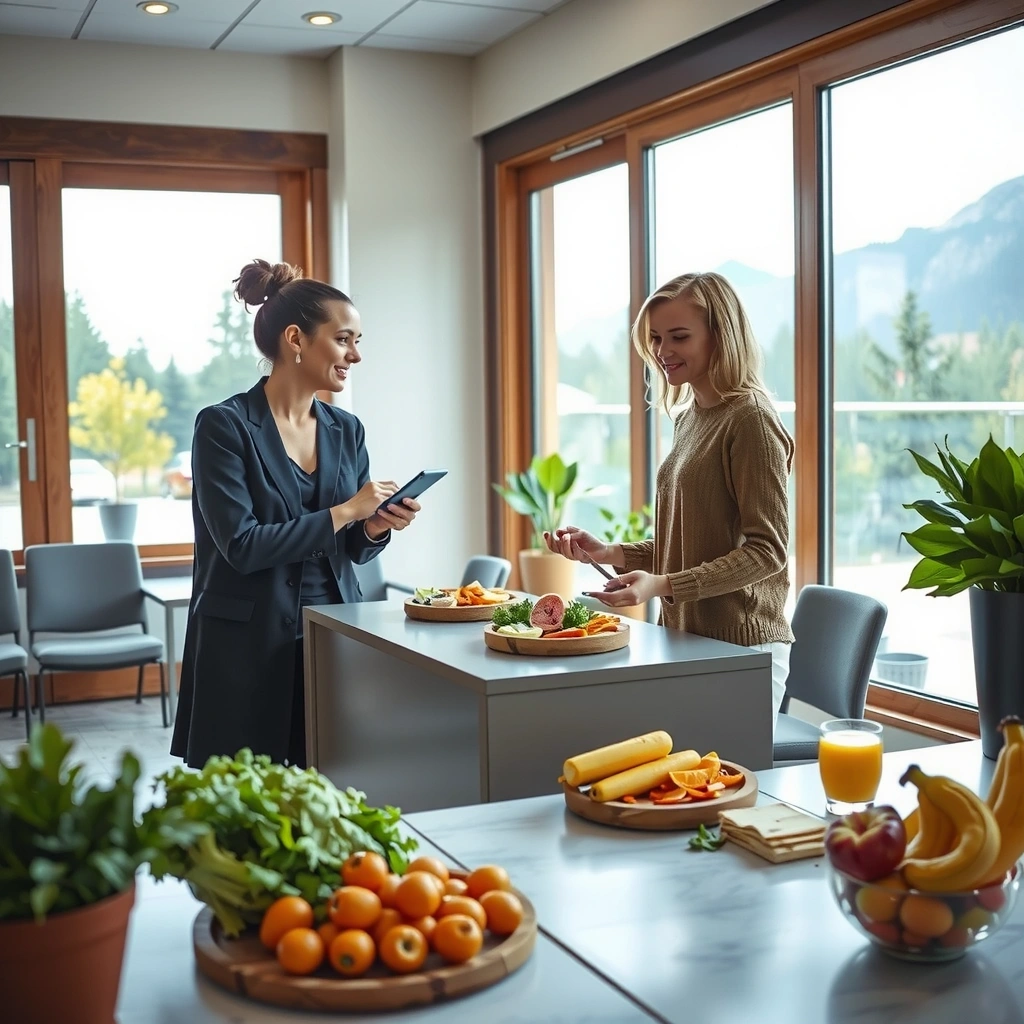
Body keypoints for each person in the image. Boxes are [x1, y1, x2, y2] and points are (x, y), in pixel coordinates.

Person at [170, 259, 418, 768]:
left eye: (357, 341)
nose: (356, 355)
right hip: (247, 646)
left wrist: (372, 526)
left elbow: (351, 548)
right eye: (344, 340)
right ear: (295, 339)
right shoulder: (223, 427)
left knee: (335, 787)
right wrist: (346, 510)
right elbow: (242, 546)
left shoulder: (346, 430)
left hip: (335, 635)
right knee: (250, 798)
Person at [545, 271, 794, 727]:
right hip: (686, 638)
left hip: (742, 650)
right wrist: (609, 552)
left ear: (722, 336)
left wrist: (662, 585)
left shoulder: (751, 421)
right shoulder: (689, 417)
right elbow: (690, 543)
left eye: (679, 336)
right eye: (656, 338)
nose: (662, 351)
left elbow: (767, 551)